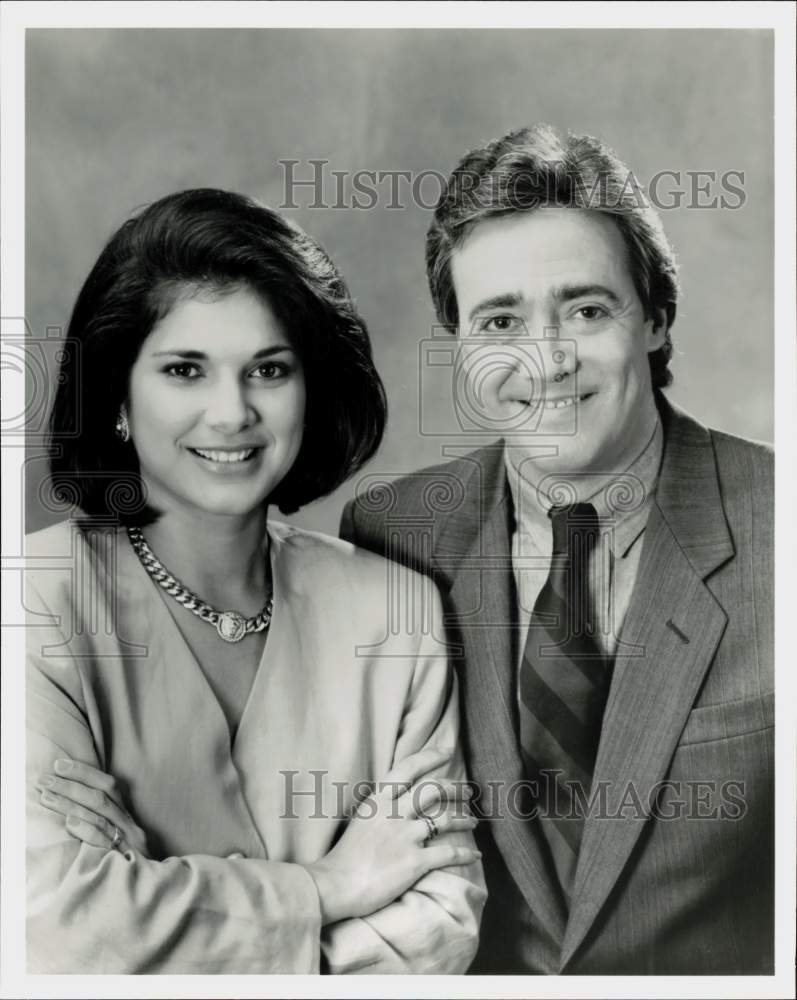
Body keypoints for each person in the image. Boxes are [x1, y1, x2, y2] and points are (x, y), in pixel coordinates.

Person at [341, 124, 774, 974]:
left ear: (653, 318)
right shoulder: (393, 538)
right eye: (499, 319)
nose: (543, 359)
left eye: (584, 308)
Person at [25, 188, 486, 974]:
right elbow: (54, 931)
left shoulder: (395, 610)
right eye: (184, 370)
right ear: (118, 400)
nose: (232, 412)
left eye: (268, 369)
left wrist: (154, 911)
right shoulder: (34, 603)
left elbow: (441, 920)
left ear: (311, 388)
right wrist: (325, 888)